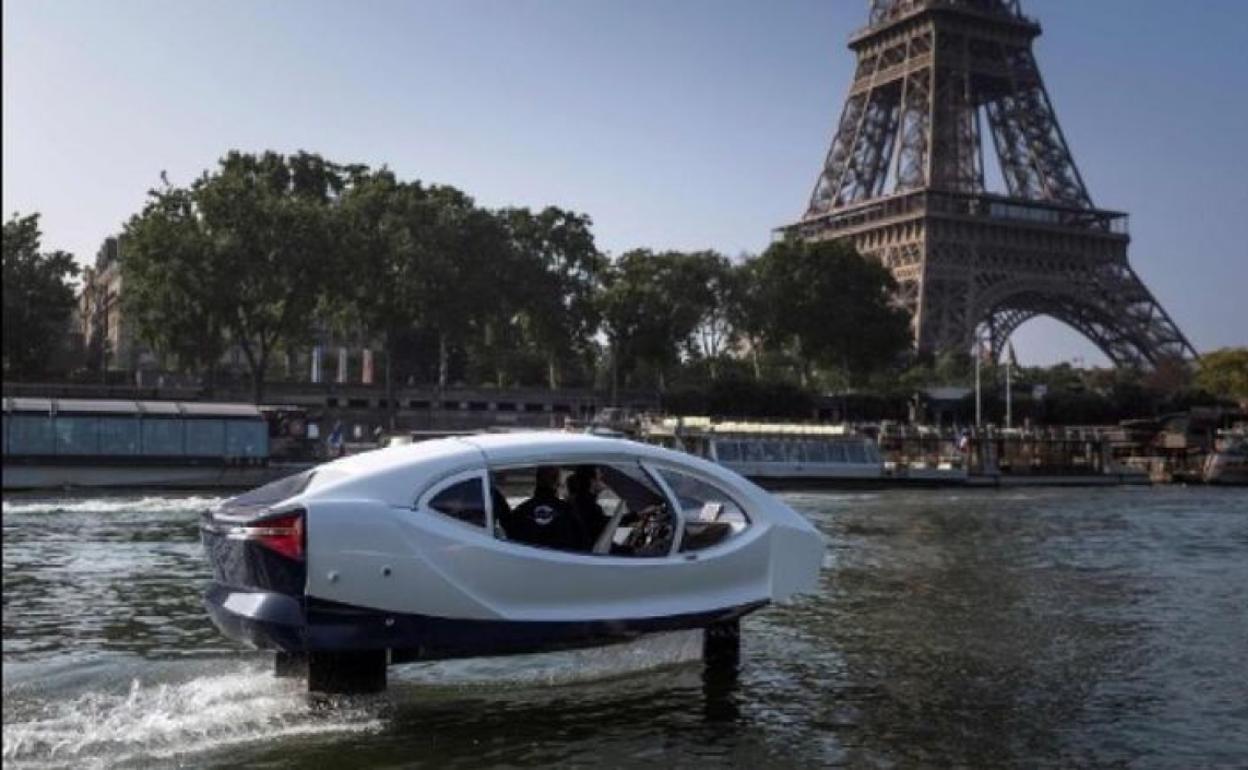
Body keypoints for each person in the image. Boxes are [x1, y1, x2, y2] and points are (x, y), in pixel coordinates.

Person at [503, 466, 584, 551]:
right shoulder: (568, 512)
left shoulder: (521, 512)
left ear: (537, 481)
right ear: (557, 482)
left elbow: (510, 542)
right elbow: (582, 544)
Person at [566, 465, 609, 551]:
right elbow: (601, 528)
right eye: (600, 479)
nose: (603, 482)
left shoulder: (578, 502)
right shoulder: (589, 506)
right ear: (592, 481)